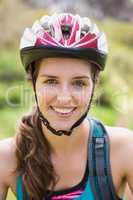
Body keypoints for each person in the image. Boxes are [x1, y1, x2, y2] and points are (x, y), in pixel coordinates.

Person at [0, 13, 133, 200]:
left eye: (79, 83)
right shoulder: (5, 159)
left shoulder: (125, 150)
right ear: (32, 83)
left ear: (95, 85)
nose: (64, 98)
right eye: (51, 81)